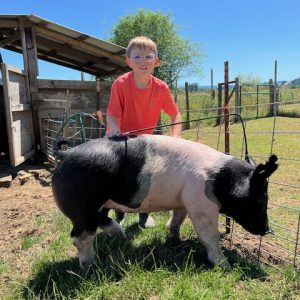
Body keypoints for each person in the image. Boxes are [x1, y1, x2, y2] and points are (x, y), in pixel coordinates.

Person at [99, 36, 182, 227]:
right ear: (128, 61)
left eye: (148, 57)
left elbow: (175, 113)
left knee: (144, 177)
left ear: (156, 61)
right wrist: (116, 131)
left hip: (144, 140)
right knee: (117, 179)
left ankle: (144, 215)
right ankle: (117, 214)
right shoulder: (120, 84)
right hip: (118, 139)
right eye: (137, 57)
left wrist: (175, 136)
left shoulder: (161, 88)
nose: (142, 62)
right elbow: (112, 114)